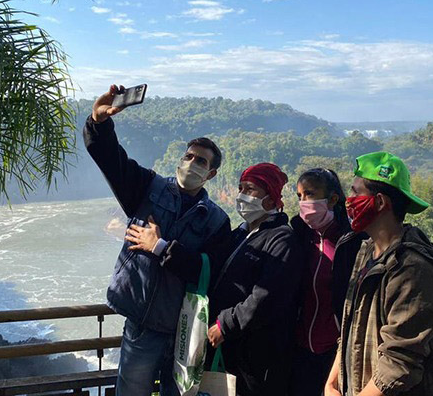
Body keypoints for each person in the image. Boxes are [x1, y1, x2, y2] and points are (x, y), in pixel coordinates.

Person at [85, 84, 231, 396]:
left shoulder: (218, 221)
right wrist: (99, 121)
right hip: (143, 325)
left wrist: (160, 247)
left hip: (185, 331)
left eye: (201, 161)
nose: (192, 163)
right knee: (132, 391)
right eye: (189, 156)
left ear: (212, 173)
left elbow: (209, 273)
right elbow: (113, 161)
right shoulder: (148, 188)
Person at [126, 162, 304, 396]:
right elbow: (206, 266)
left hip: (257, 358)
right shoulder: (240, 233)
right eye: (241, 188)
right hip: (228, 350)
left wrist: (225, 324)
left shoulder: (281, 240)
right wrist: (161, 247)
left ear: (271, 198)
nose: (242, 196)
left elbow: (266, 298)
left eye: (250, 189)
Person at [324, 152, 433, 396]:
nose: (348, 200)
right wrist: (332, 382)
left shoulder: (413, 270)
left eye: (356, 192)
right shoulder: (366, 251)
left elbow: (399, 363)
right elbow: (350, 330)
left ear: (381, 202)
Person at [289, 168, 366, 396]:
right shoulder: (299, 235)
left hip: (336, 349)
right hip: (300, 346)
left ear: (333, 199)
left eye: (310, 194)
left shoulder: (353, 240)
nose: (303, 202)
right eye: (300, 196)